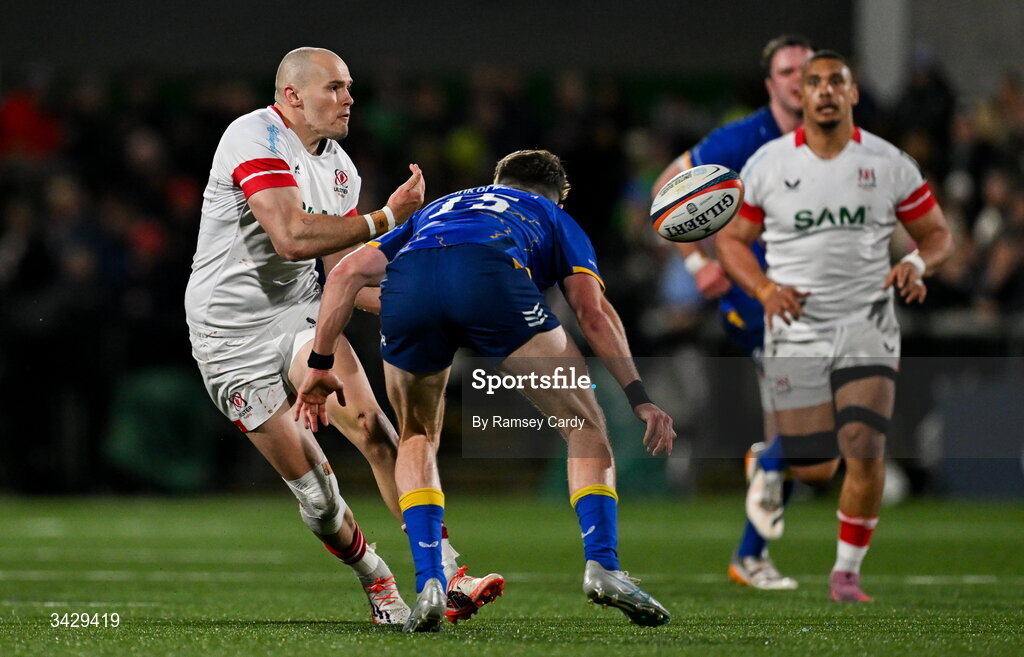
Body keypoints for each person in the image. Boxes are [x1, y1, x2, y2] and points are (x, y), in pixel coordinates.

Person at [295, 149, 676, 632]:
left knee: (416, 436)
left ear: (498, 180)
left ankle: (433, 580)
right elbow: (592, 312)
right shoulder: (551, 215)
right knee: (583, 425)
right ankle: (603, 566)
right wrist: (638, 396)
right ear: (556, 194)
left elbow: (347, 274)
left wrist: (321, 362)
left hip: (411, 289)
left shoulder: (443, 207)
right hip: (493, 278)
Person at [184, 47, 500, 625]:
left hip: (297, 313)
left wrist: (436, 300)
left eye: (349, 86)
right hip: (227, 335)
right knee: (318, 497)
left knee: (377, 431)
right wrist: (386, 219)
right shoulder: (253, 134)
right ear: (292, 96)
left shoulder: (341, 168)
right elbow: (290, 236)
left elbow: (345, 280)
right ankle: (376, 578)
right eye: (334, 87)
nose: (349, 98)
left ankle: (449, 572)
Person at [716, 50, 953, 601]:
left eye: (835, 82)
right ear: (800, 96)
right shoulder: (770, 164)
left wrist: (917, 264)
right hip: (795, 328)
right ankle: (773, 457)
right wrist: (765, 289)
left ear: (852, 93)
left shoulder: (888, 162)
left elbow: (938, 234)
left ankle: (846, 574)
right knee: (817, 467)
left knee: (865, 445)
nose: (823, 91)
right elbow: (732, 241)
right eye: (813, 82)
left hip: (867, 321)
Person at [652, 35, 814, 590]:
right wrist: (699, 264)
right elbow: (666, 186)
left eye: (807, 70)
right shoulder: (746, 137)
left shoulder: (833, 140)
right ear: (771, 84)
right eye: (788, 70)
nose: (799, 79)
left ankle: (753, 545)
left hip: (813, 296)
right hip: (759, 296)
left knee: (803, 432)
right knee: (807, 424)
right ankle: (759, 516)